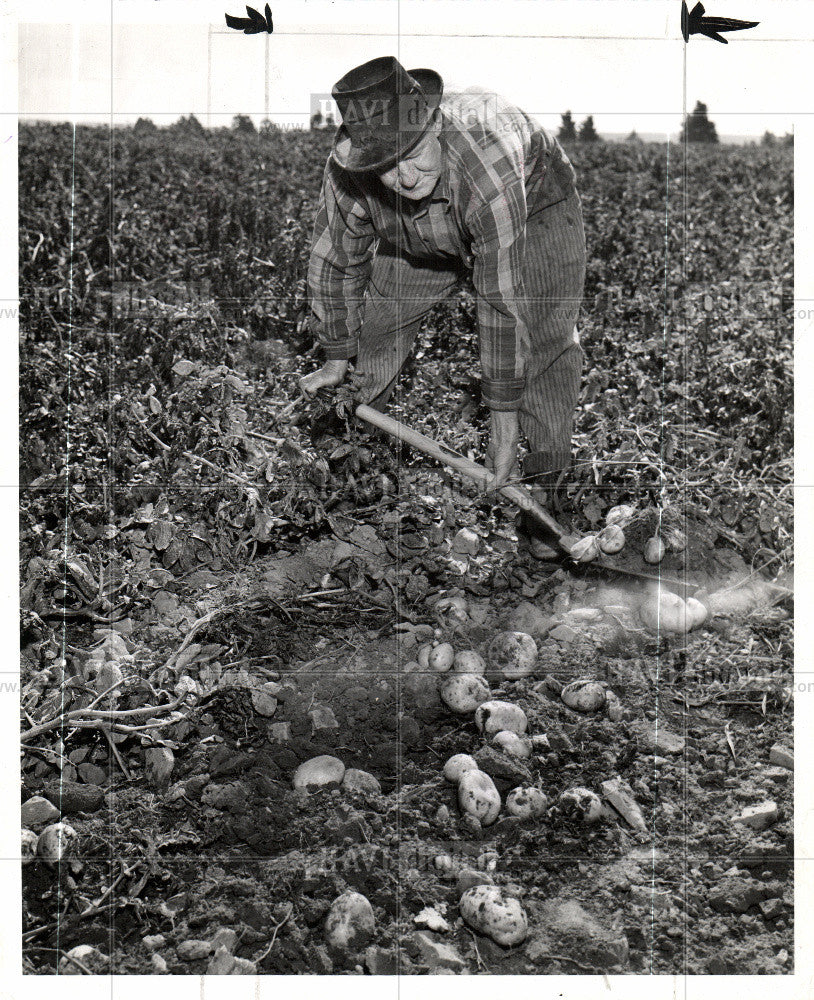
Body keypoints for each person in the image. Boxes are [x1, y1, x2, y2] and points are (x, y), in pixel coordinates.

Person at [300, 56, 586, 558]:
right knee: (378, 327)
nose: (405, 178)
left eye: (412, 156)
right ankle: (357, 476)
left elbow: (501, 299)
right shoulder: (349, 174)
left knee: (544, 342)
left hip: (534, 207)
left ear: (435, 124)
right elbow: (335, 259)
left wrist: (503, 427)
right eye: (384, 167)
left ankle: (547, 495)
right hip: (417, 227)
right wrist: (335, 355)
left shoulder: (484, 158)